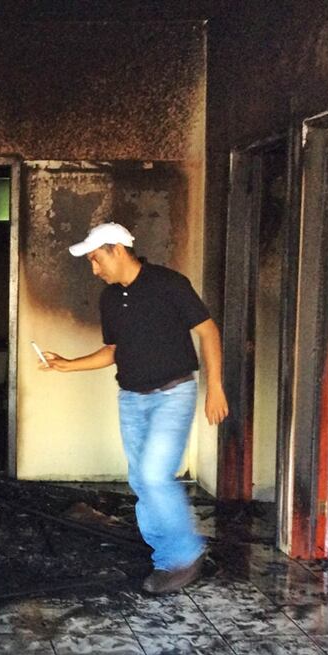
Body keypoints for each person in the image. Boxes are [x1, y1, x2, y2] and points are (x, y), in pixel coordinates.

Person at [40, 222, 228, 594]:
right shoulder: (110, 299)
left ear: (117, 249)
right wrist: (66, 363)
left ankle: (185, 555)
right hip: (131, 398)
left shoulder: (169, 283)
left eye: (96, 260)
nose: (94, 270)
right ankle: (166, 556)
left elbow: (208, 331)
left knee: (156, 475)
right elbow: (113, 351)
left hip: (173, 393)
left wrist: (215, 387)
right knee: (142, 480)